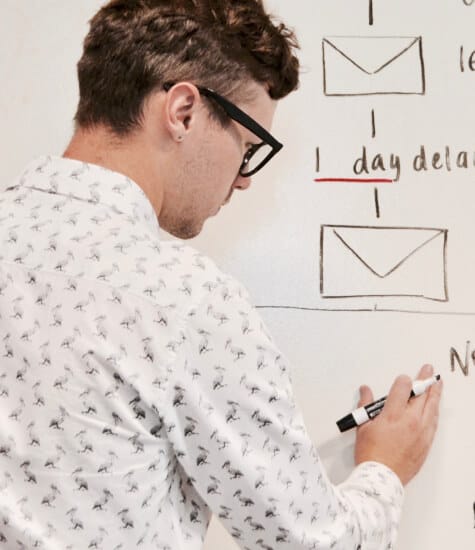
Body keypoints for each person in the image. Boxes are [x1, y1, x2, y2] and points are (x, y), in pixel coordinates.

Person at [0, 1, 442, 548]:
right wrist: (386, 469)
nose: (244, 179)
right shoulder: (185, 301)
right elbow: (314, 542)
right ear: (184, 111)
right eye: (249, 147)